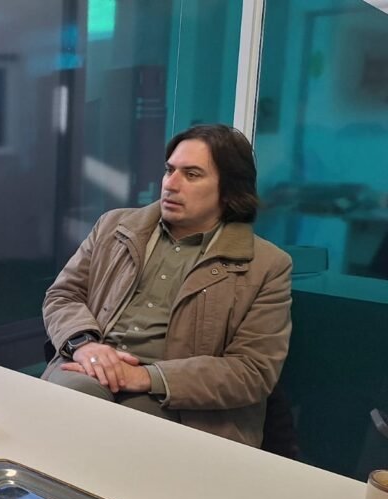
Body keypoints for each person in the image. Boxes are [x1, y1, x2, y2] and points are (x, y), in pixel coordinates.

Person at [41, 124, 292, 447]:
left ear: (229, 190)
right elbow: (63, 295)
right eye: (169, 170)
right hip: (90, 367)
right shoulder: (114, 226)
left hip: (179, 401)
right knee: (70, 402)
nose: (171, 184)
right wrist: (85, 345)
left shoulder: (267, 265)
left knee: (128, 431)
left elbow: (252, 371)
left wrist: (145, 377)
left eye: (192, 175)